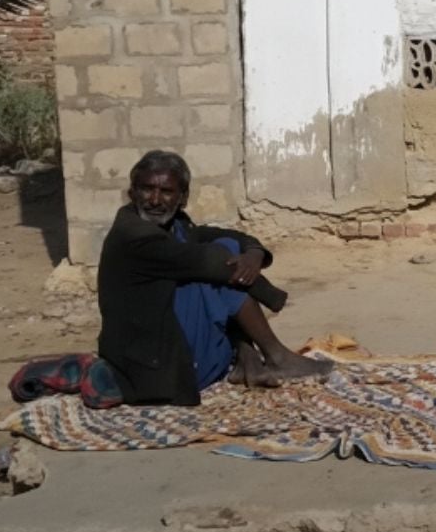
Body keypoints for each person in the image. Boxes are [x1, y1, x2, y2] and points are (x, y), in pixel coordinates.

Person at [93, 150, 332, 406]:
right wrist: (265, 288)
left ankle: (248, 357)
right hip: (150, 368)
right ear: (132, 192)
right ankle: (274, 356)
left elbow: (223, 236)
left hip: (166, 343)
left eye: (166, 192)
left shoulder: (176, 225)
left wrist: (254, 253)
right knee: (217, 268)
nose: (154, 200)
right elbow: (213, 263)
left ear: (182, 198)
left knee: (225, 248)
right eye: (146, 189)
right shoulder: (135, 236)